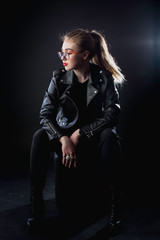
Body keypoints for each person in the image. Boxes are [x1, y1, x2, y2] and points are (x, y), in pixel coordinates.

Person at [27, 29, 125, 237]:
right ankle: (36, 206)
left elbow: (112, 115)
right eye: (61, 53)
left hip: (93, 136)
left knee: (110, 136)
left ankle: (116, 211)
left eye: (68, 53)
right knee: (39, 136)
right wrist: (63, 138)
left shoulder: (104, 78)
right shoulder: (59, 78)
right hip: (64, 136)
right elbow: (45, 115)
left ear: (85, 55)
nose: (63, 57)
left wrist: (81, 132)